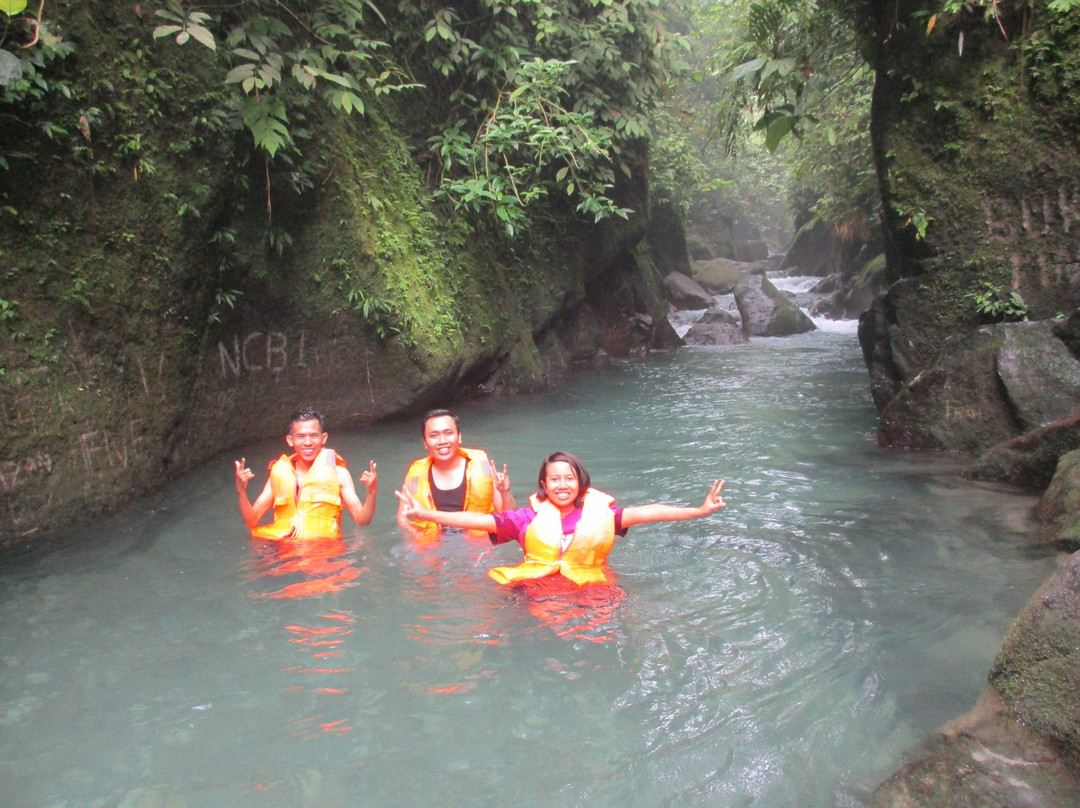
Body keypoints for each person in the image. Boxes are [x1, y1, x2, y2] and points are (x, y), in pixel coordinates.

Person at [396, 450, 726, 585]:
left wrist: (698, 511)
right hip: (536, 591)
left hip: (590, 592)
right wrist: (423, 513)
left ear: (582, 483)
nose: (563, 485)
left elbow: (650, 512)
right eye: (555, 479)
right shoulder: (526, 518)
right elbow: (478, 521)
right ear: (544, 485)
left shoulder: (604, 515)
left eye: (570, 478)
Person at [235, 407, 377, 540]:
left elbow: (362, 520)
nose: (307, 442)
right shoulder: (278, 473)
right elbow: (251, 520)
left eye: (314, 436)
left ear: (324, 438)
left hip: (321, 552)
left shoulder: (339, 474)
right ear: (290, 440)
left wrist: (371, 493)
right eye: (300, 436)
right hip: (282, 550)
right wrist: (241, 491)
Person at [396, 408, 515, 537]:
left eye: (448, 433)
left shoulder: (483, 468)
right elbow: (402, 519)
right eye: (434, 435)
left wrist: (505, 493)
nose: (442, 441)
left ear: (459, 437)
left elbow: (510, 519)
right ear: (425, 442)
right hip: (432, 547)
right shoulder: (415, 475)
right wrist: (416, 537)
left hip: (479, 546)